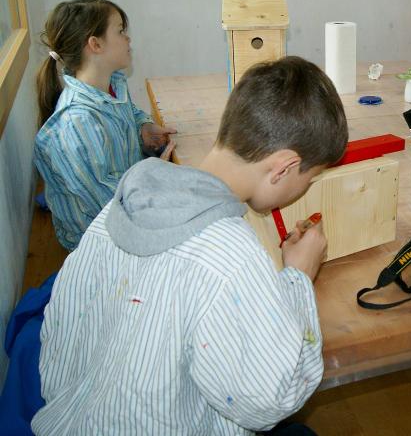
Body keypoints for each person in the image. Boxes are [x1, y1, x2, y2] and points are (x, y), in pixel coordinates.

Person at [32, 56, 349, 435]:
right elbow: (272, 398)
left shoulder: (120, 205)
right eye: (310, 179)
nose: (306, 189)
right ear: (282, 168)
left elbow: (57, 339)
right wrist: (297, 276)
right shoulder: (233, 255)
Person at [33, 0, 176, 250]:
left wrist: (142, 126)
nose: (128, 38)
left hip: (129, 200)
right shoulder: (77, 123)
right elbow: (107, 201)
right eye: (120, 31)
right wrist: (154, 175)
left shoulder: (112, 84)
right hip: (98, 238)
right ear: (95, 44)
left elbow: (128, 113)